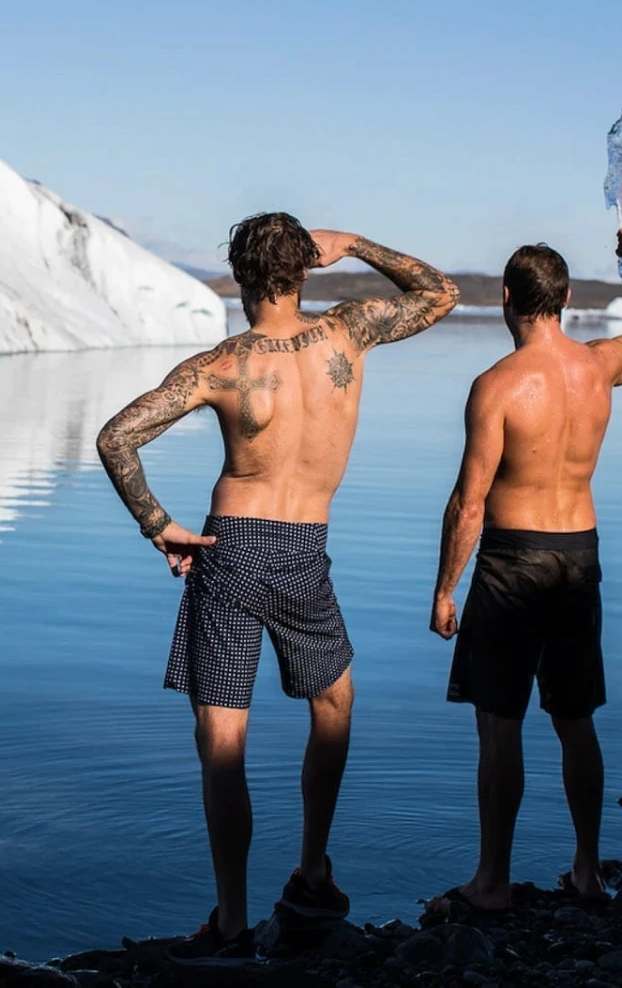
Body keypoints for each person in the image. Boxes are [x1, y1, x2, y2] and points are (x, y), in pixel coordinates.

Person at [96, 212, 459, 965]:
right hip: (304, 550)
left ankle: (231, 923)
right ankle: (312, 869)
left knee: (223, 741)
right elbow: (440, 292)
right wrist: (355, 244)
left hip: (229, 548)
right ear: (305, 269)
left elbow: (115, 437)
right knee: (334, 703)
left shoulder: (219, 365)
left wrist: (158, 525)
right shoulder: (350, 331)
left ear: (240, 277)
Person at [426, 226, 622, 919]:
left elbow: (469, 502)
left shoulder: (497, 385)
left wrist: (444, 589)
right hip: (579, 555)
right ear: (566, 298)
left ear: (507, 298)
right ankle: (587, 870)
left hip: (512, 561)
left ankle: (492, 881)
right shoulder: (597, 367)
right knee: (575, 719)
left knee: (500, 724)